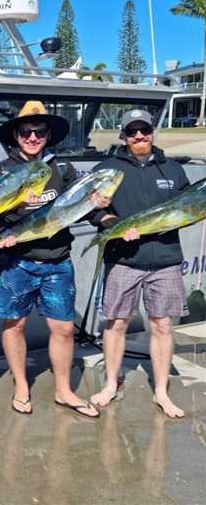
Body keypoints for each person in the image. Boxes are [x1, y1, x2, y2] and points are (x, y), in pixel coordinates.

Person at [0, 101, 109, 418]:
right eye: (26, 131)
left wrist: (102, 209)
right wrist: (5, 227)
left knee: (64, 329)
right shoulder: (2, 170)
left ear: (48, 135)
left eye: (39, 131)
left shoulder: (63, 169)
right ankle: (20, 386)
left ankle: (63, 390)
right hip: (16, 261)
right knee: (14, 325)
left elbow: (85, 207)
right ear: (16, 134)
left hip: (57, 260)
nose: (32, 137)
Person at [88, 109, 190, 418]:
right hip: (123, 258)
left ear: (152, 131)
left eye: (144, 130)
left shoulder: (173, 169)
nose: (139, 136)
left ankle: (161, 391)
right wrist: (112, 221)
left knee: (161, 325)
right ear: (123, 135)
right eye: (132, 131)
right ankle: (110, 384)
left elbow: (188, 206)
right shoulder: (107, 168)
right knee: (116, 323)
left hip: (166, 259)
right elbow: (92, 212)